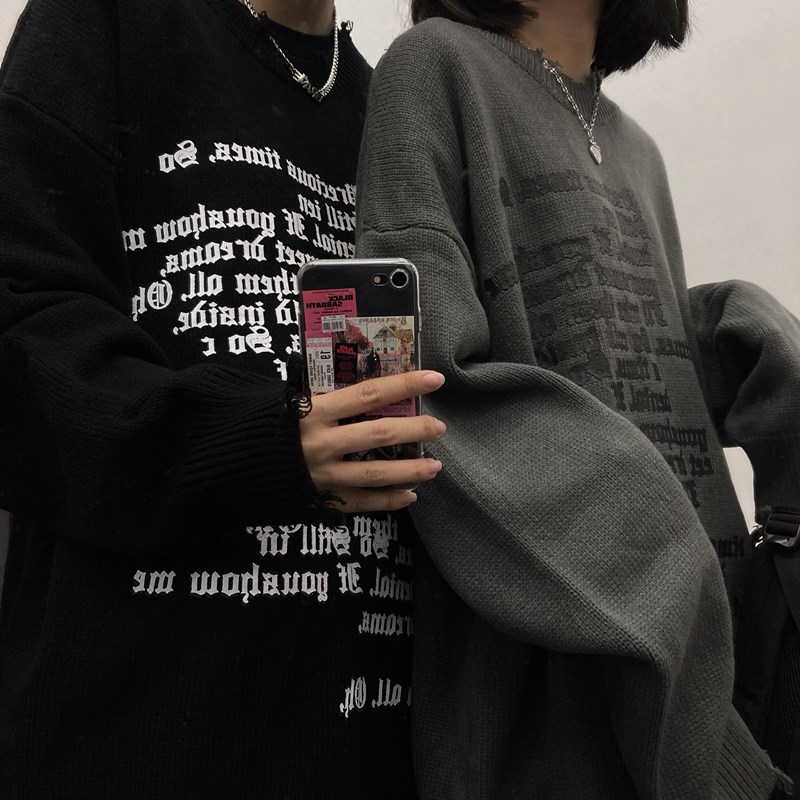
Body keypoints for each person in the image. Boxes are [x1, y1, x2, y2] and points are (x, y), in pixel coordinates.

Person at [0, 0, 446, 797]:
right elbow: (21, 324)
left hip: (370, 742)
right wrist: (257, 441)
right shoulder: (102, 22)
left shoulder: (391, 110)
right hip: (131, 745)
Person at [356, 0, 800, 797]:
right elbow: (412, 386)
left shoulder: (640, 150)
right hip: (548, 714)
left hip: (715, 689)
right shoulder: (432, 67)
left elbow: (606, 355)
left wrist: (745, 335)